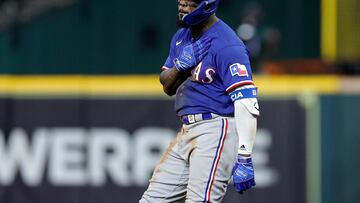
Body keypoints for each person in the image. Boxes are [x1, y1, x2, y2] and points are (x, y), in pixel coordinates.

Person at [140, 0, 259, 202]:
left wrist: (245, 155)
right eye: (181, 2)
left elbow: (246, 102)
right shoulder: (182, 36)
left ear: (207, 5)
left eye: (190, 4)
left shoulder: (228, 44)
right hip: (187, 130)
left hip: (216, 129)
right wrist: (180, 67)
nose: (183, 8)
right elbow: (167, 86)